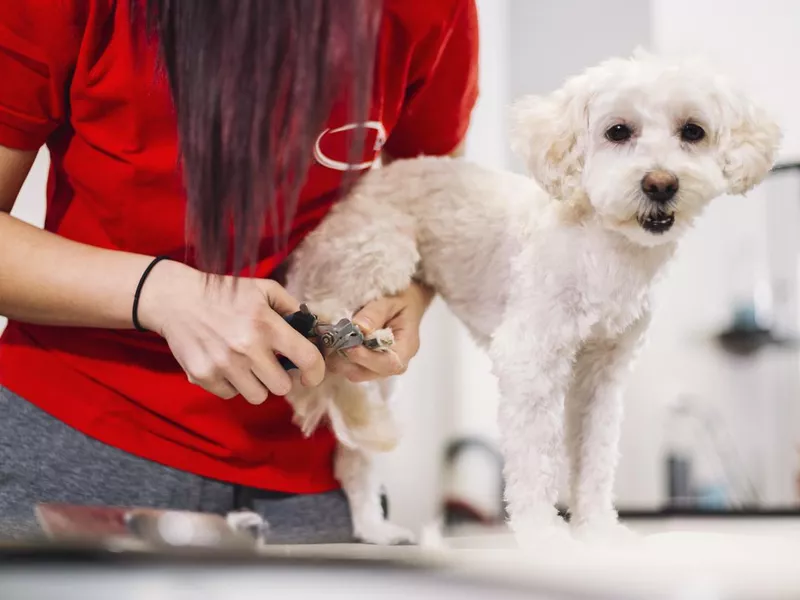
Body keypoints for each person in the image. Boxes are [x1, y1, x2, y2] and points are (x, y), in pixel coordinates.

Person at [0, 0, 478, 543]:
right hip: (76, 446)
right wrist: (158, 294)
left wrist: (403, 293)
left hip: (316, 477)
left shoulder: (432, 11)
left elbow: (431, 200)